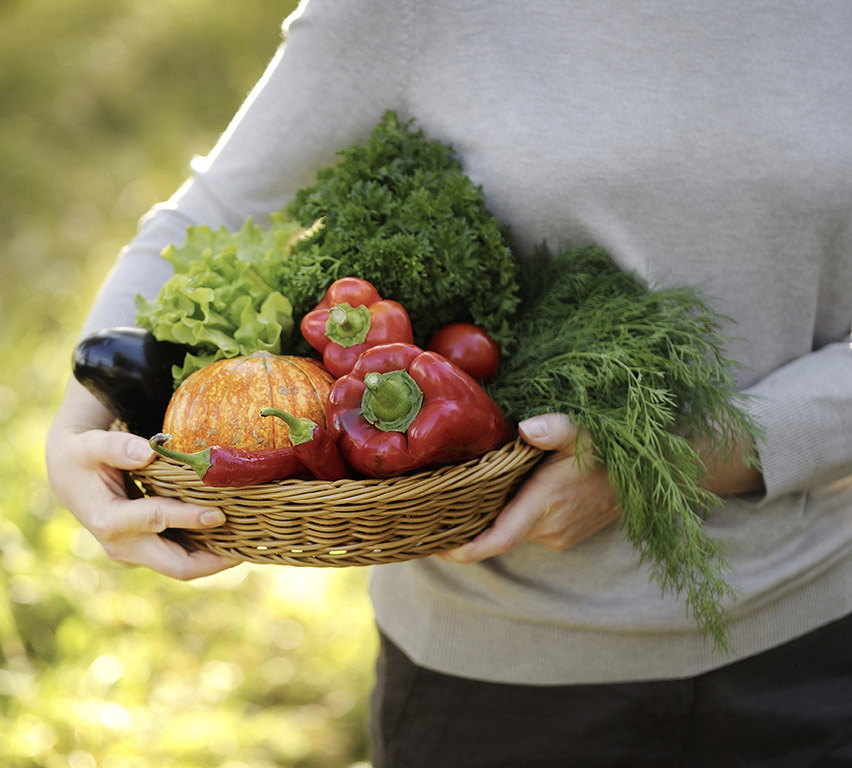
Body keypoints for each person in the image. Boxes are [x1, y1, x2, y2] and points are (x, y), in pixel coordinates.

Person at [46, 1, 852, 765]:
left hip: (816, 644)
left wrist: (679, 458)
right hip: (499, 679)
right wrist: (83, 420)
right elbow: (216, 210)